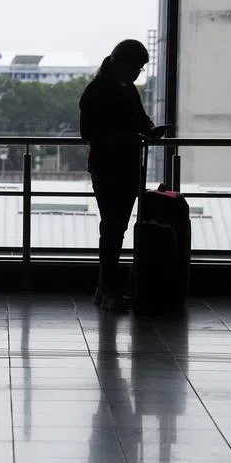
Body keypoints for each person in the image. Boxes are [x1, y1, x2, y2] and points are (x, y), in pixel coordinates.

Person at [79, 38, 168, 312]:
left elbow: (141, 119)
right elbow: (90, 134)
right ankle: (107, 290)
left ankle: (106, 288)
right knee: (113, 228)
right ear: (122, 63)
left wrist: (148, 130)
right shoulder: (100, 91)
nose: (136, 74)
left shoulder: (111, 89)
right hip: (112, 167)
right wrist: (134, 136)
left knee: (114, 228)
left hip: (119, 166)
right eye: (136, 68)